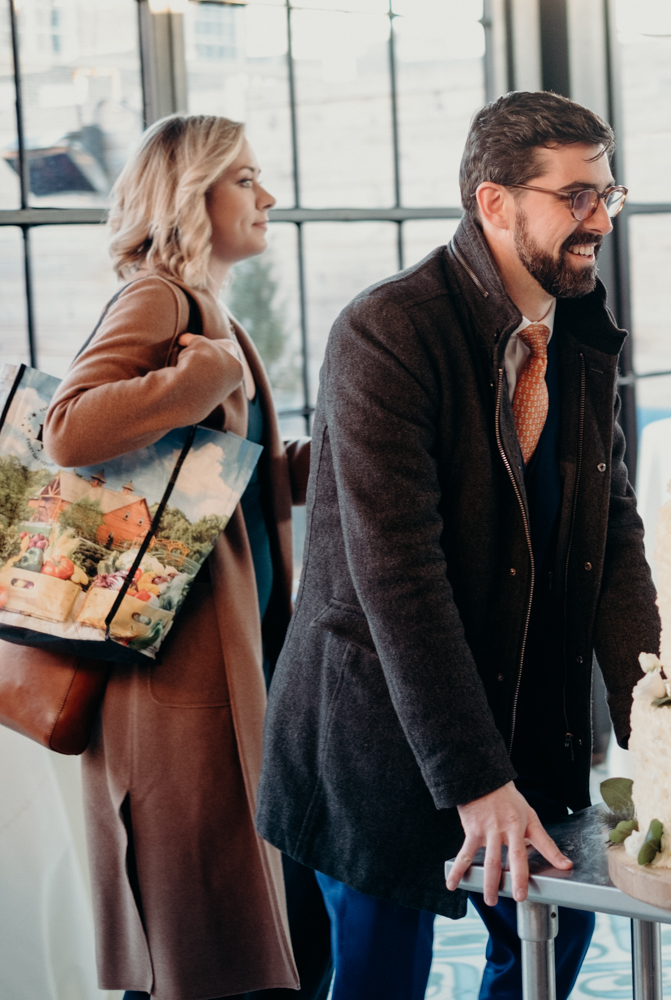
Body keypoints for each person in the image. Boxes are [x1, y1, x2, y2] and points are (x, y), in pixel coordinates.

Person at [255, 90, 660, 1000]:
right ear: (494, 202)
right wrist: (476, 781)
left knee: (552, 943)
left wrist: (658, 724)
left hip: (529, 722)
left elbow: (613, 534)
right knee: (380, 978)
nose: (599, 221)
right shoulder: (386, 330)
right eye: (575, 198)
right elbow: (398, 576)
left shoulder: (583, 329)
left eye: (608, 195)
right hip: (378, 737)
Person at [45, 114, 313, 998]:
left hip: (224, 659)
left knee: (226, 939)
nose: (266, 196)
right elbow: (70, 430)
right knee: (190, 946)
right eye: (245, 178)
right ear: (191, 193)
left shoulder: (206, 308)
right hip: (172, 679)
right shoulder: (159, 299)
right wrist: (206, 376)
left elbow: (224, 481)